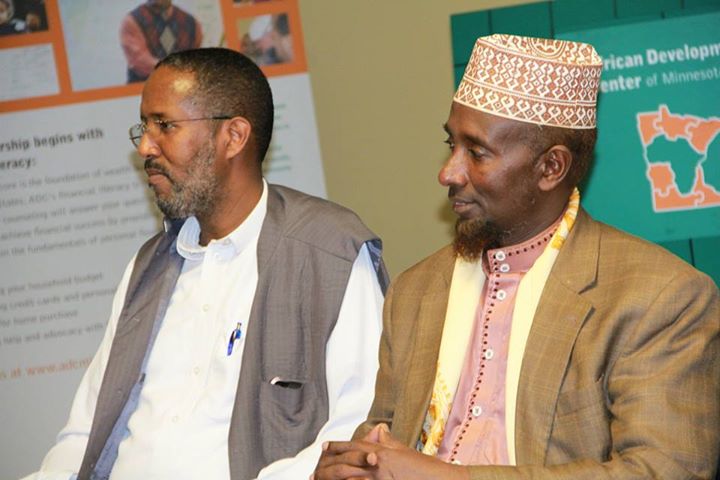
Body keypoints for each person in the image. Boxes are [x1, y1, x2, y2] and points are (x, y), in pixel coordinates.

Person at [313, 34, 720, 480]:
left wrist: (447, 477)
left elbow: (665, 470)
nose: (448, 172)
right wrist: (353, 465)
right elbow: (380, 439)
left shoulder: (659, 298)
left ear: (551, 168)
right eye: (451, 145)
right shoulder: (416, 291)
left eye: (477, 153)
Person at [28, 48, 389, 480]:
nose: (145, 146)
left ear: (233, 136)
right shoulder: (148, 266)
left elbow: (358, 424)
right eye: (144, 127)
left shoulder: (328, 250)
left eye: (164, 125)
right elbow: (85, 431)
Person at [119, 0, 202, 83]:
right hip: (143, 87)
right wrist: (178, 69)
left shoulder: (192, 23)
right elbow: (141, 63)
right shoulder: (133, 21)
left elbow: (195, 60)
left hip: (182, 86)